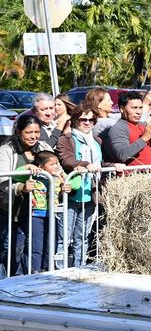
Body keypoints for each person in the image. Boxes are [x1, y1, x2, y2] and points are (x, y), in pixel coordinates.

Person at [0, 116, 52, 277]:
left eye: (37, 132)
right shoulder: (7, 150)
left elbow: (55, 167)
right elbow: (2, 178)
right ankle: (5, 283)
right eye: (28, 132)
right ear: (18, 131)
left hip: (37, 210)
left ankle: (25, 281)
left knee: (33, 247)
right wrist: (21, 185)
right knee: (10, 247)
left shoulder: (43, 146)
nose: (33, 136)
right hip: (11, 208)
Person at [55, 105, 102, 267]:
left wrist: (115, 165)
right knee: (64, 238)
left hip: (90, 194)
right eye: (83, 119)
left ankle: (79, 269)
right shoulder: (66, 139)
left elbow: (99, 164)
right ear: (75, 120)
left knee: (82, 237)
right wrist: (84, 164)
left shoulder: (96, 141)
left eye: (91, 120)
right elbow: (66, 159)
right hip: (71, 194)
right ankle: (60, 272)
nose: (87, 123)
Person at [16, 150, 77, 273]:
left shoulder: (59, 176)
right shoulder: (34, 175)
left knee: (50, 243)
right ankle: (34, 270)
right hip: (36, 215)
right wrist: (28, 166)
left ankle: (47, 268)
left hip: (52, 214)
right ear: (41, 167)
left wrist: (68, 184)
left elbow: (74, 183)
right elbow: (16, 175)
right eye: (52, 164)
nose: (56, 166)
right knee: (36, 245)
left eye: (57, 163)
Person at [101, 91, 151, 167]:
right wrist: (144, 138)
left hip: (148, 176)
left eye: (141, 108)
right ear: (122, 109)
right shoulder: (118, 128)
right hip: (130, 176)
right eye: (134, 108)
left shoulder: (144, 125)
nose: (139, 112)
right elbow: (122, 155)